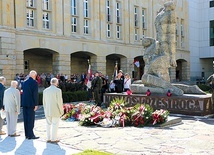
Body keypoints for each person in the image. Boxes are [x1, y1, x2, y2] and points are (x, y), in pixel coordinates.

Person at [43, 78, 63, 143]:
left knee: (48, 125)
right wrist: (61, 111)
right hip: (55, 110)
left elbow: (44, 102)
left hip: (47, 110)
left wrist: (45, 110)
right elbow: (59, 102)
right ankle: (53, 139)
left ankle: (48, 138)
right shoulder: (58, 90)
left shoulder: (45, 90)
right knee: (55, 125)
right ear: (56, 83)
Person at [21, 70, 39, 139]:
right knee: (31, 119)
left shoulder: (24, 82)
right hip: (31, 103)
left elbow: (22, 92)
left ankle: (27, 134)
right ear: (35, 76)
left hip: (24, 103)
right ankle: (31, 135)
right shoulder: (34, 82)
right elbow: (35, 94)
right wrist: (36, 104)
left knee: (26, 119)